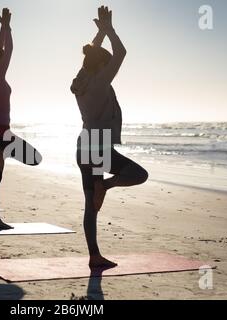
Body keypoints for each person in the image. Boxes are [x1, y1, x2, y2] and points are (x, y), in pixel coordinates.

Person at [71, 6, 148, 268]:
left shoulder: (81, 79)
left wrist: (100, 33)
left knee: (90, 203)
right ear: (102, 65)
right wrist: (110, 30)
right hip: (98, 145)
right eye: (105, 63)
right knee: (139, 175)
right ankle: (107, 186)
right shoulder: (101, 81)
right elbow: (122, 54)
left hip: (85, 145)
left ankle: (94, 255)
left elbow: (90, 55)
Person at [0, 8, 42, 229]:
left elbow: (0, 48)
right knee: (31, 160)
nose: (4, 56)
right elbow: (9, 49)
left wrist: (3, 27)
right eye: (0, 55)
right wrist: (8, 28)